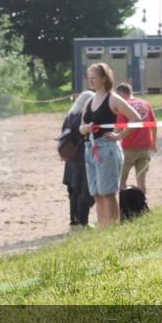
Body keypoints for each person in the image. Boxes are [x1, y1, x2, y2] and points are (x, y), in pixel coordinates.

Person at [78, 64, 141, 227]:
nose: (90, 80)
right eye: (88, 76)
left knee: (108, 193)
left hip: (107, 148)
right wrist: (85, 128)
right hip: (90, 148)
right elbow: (81, 126)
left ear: (104, 78)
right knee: (97, 194)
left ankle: (112, 229)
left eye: (94, 77)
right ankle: (103, 228)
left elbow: (136, 118)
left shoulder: (113, 98)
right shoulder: (89, 101)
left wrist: (120, 135)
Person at [115, 83, 158, 196]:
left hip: (129, 147)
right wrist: (154, 142)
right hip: (145, 146)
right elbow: (154, 125)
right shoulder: (146, 104)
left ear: (121, 94)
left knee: (121, 180)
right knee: (141, 181)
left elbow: (119, 127)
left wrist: (113, 137)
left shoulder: (124, 106)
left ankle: (123, 207)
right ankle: (142, 205)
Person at [61, 91, 94, 228]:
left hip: (71, 156)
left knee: (74, 189)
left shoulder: (69, 116)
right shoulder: (83, 117)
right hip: (82, 155)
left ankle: (74, 219)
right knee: (83, 189)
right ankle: (83, 220)